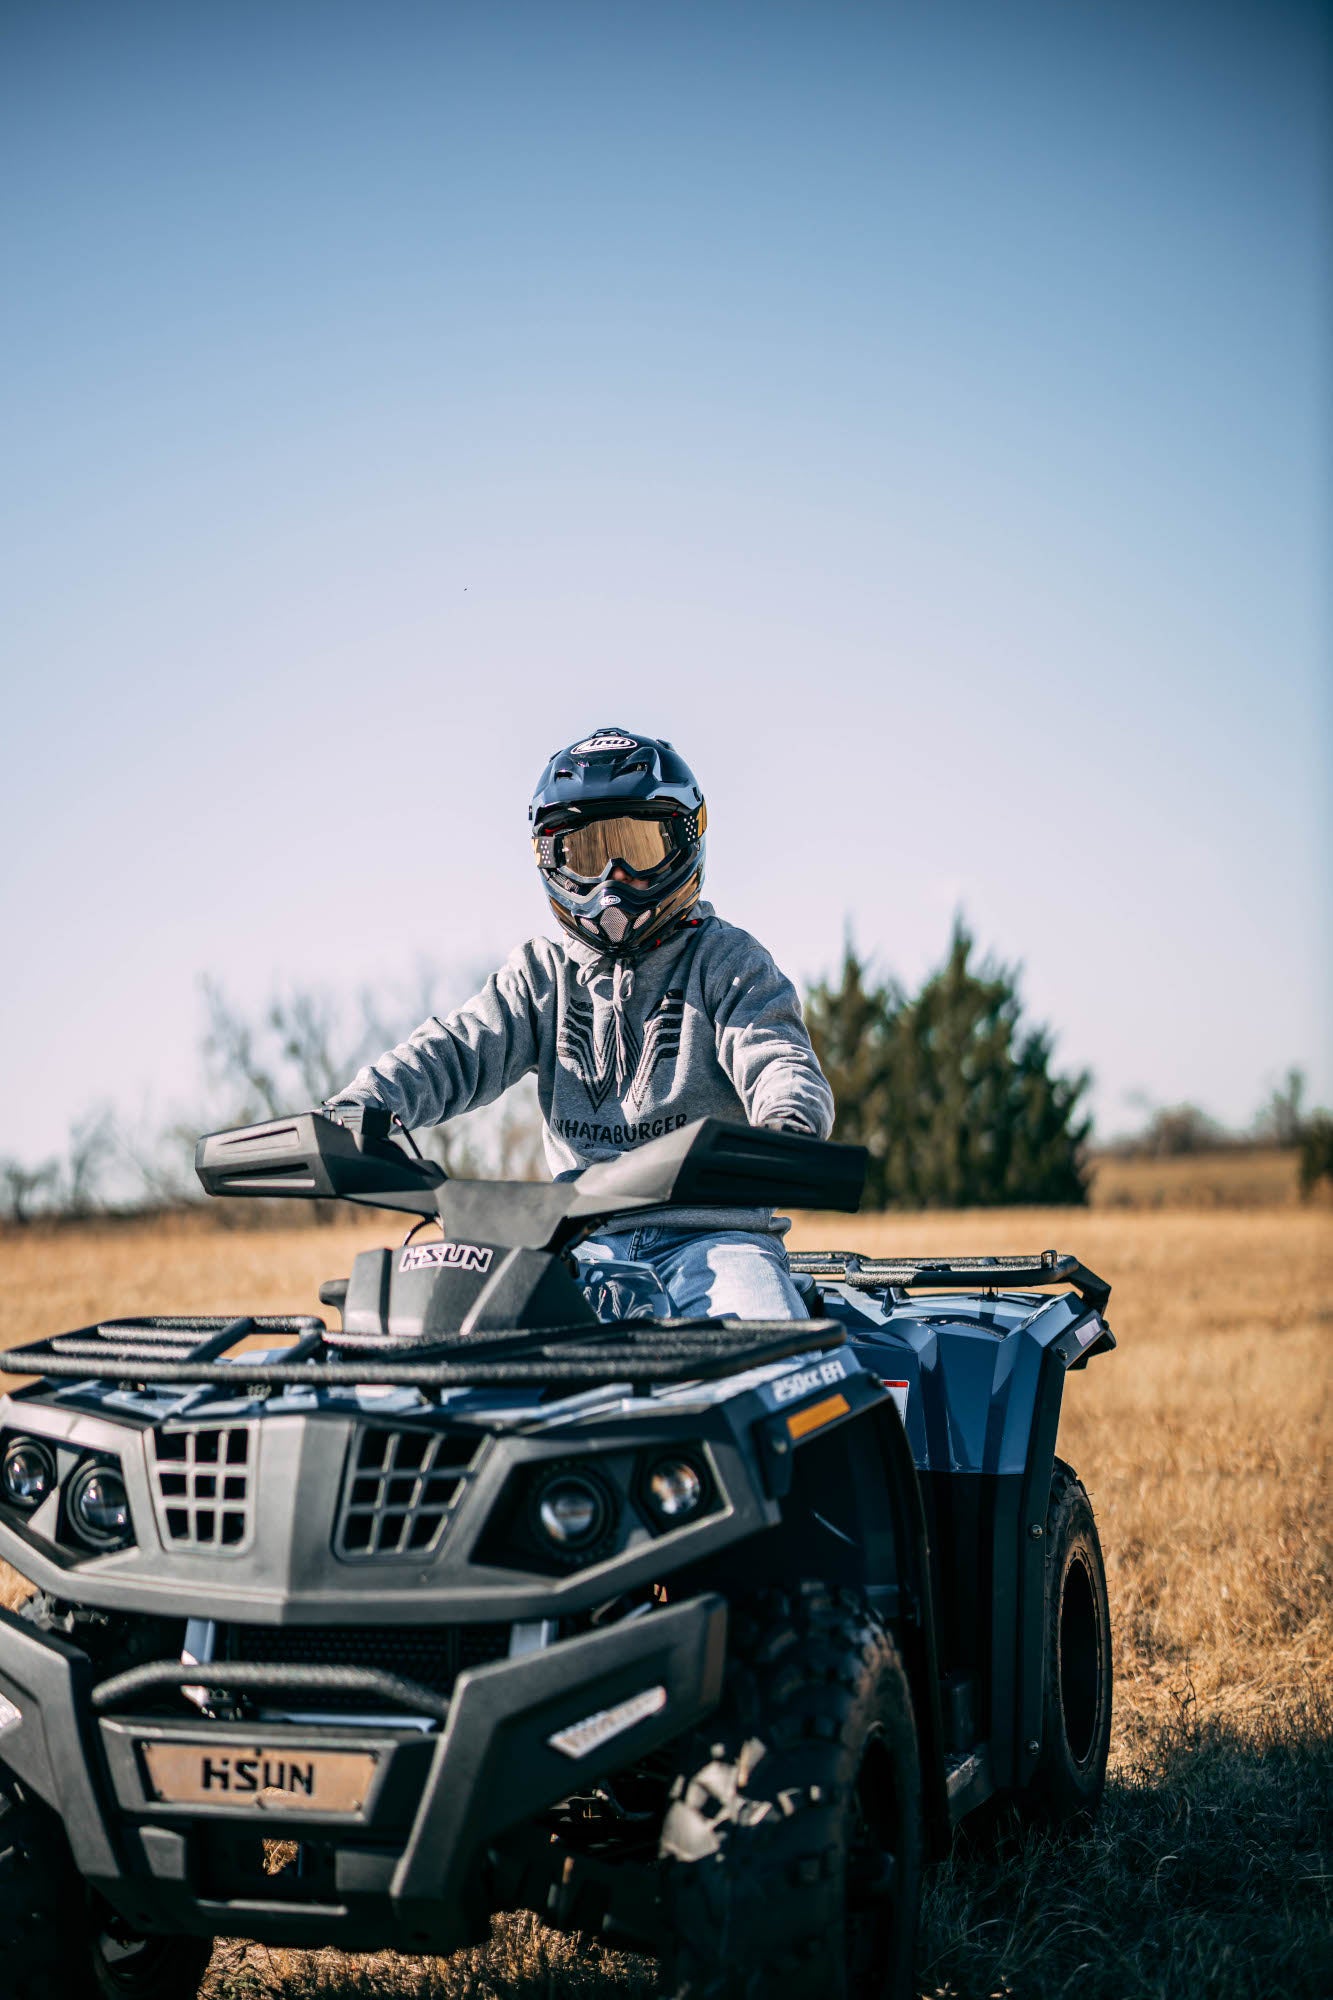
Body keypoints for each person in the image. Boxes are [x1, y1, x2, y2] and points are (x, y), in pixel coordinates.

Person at [327, 726, 834, 1320]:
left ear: (687, 839)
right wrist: (358, 1108)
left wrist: (787, 1123)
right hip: (575, 1248)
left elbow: (776, 1055)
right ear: (549, 858)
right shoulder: (541, 975)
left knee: (763, 1340)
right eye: (587, 855)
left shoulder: (727, 961)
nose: (612, 880)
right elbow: (455, 1051)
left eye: (636, 849)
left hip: (714, 1240)